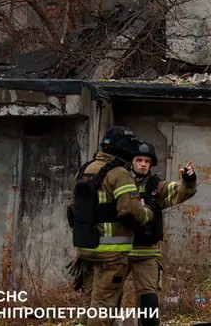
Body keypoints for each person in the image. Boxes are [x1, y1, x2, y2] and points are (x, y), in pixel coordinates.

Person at [67, 126, 154, 326]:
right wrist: (147, 211)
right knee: (103, 307)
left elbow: (72, 210)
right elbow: (131, 211)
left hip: (87, 248)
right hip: (111, 254)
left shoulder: (85, 169)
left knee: (88, 304)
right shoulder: (119, 173)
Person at [126, 142, 198, 326]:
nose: (143, 164)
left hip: (146, 252)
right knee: (109, 297)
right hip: (118, 251)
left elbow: (181, 191)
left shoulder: (156, 186)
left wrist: (188, 179)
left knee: (148, 300)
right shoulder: (120, 182)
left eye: (147, 161)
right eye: (139, 160)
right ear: (132, 162)